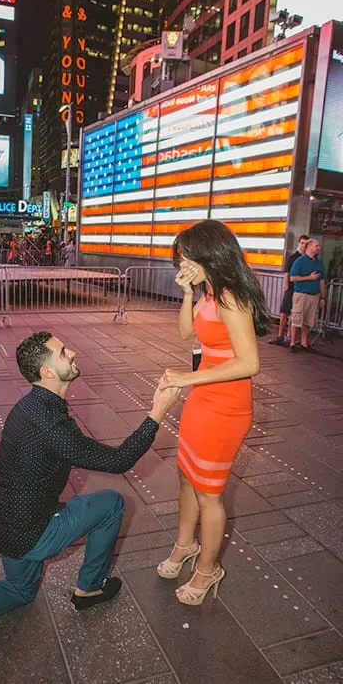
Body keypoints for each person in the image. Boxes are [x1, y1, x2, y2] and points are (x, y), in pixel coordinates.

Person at [0, 331, 180, 668]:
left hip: (2, 524)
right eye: (62, 352)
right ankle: (89, 590)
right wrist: (157, 413)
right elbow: (117, 461)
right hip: (32, 529)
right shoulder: (51, 423)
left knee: (21, 590)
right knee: (112, 503)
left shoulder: (31, 405)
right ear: (47, 372)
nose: (72, 354)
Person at [156, 220, 271, 605]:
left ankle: (208, 569)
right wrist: (188, 292)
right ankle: (185, 545)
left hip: (226, 406)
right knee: (186, 475)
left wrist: (187, 380)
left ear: (209, 254)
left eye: (186, 255)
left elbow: (249, 363)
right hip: (204, 396)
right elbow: (185, 334)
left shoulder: (232, 298)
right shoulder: (209, 293)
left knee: (210, 492)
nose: (182, 261)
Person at [269, 234, 309, 346]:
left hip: (300, 289)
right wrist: (286, 286)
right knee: (284, 312)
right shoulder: (292, 258)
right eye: (302, 243)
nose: (303, 246)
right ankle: (280, 335)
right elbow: (286, 272)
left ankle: (289, 336)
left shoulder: (307, 259)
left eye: (306, 244)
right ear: (298, 243)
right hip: (291, 288)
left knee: (294, 315)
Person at [288, 238, 326, 353]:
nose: (318, 248)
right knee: (297, 318)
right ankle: (293, 342)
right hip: (301, 294)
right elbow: (292, 277)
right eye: (316, 246)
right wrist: (309, 277)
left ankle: (304, 343)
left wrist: (323, 297)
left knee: (308, 321)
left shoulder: (319, 263)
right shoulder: (300, 261)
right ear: (309, 247)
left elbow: (322, 280)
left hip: (314, 295)